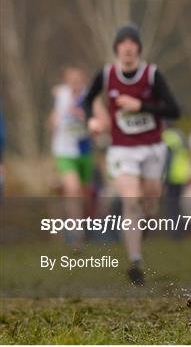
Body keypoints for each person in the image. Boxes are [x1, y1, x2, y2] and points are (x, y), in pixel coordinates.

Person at [83, 23, 180, 285]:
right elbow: (86, 98)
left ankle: (143, 227)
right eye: (122, 44)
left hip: (151, 148)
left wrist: (141, 106)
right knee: (131, 200)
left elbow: (174, 111)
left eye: (132, 44)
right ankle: (135, 260)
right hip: (122, 149)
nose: (127, 48)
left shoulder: (152, 75)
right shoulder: (105, 75)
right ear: (117, 50)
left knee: (149, 204)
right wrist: (92, 119)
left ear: (138, 49)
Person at [48, 67, 94, 250]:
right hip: (64, 152)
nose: (75, 83)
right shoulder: (62, 96)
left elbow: (103, 120)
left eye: (78, 80)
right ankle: (77, 236)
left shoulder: (90, 96)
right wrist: (53, 123)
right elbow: (52, 121)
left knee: (85, 195)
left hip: (84, 152)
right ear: (66, 81)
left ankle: (86, 227)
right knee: (72, 190)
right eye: (71, 80)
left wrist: (92, 121)